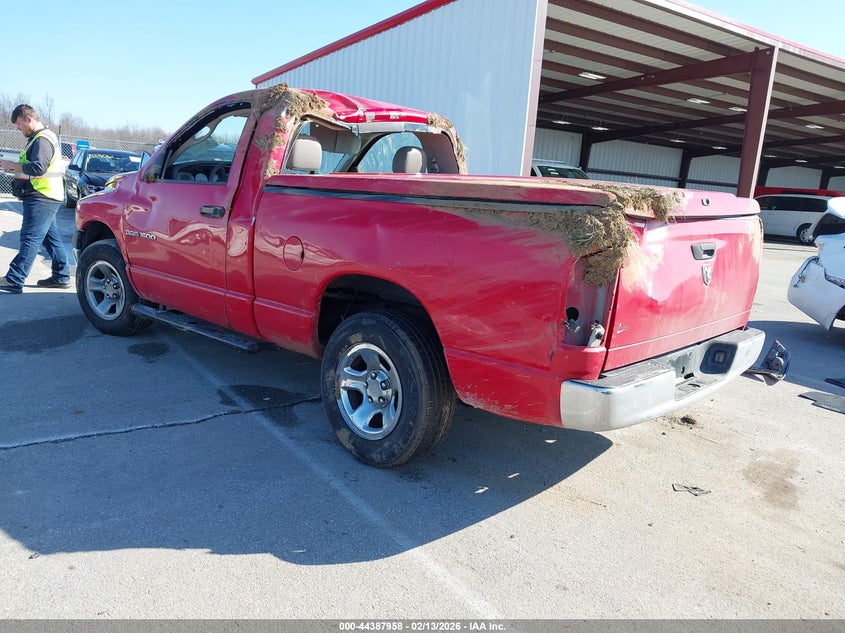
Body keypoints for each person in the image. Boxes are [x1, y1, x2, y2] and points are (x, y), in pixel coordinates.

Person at [0, 104, 71, 294]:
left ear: (28, 119)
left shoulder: (42, 140)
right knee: (51, 239)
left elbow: (38, 168)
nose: (18, 128)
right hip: (48, 195)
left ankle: (15, 278)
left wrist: (12, 165)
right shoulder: (40, 138)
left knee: (30, 237)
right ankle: (61, 276)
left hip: (42, 196)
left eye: (19, 124)